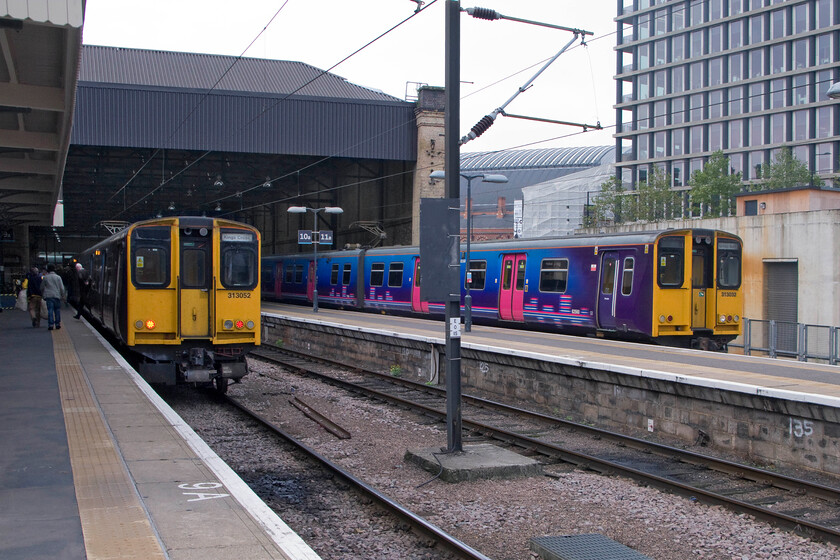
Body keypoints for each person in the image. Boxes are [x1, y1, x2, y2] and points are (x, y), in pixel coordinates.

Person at [41, 264, 66, 331]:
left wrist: (43, 294)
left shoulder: (46, 277)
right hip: (57, 296)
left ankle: (51, 325)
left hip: (48, 296)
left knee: (50, 310)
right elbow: (62, 288)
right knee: (57, 310)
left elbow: (42, 287)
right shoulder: (58, 277)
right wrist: (63, 296)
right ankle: (57, 324)